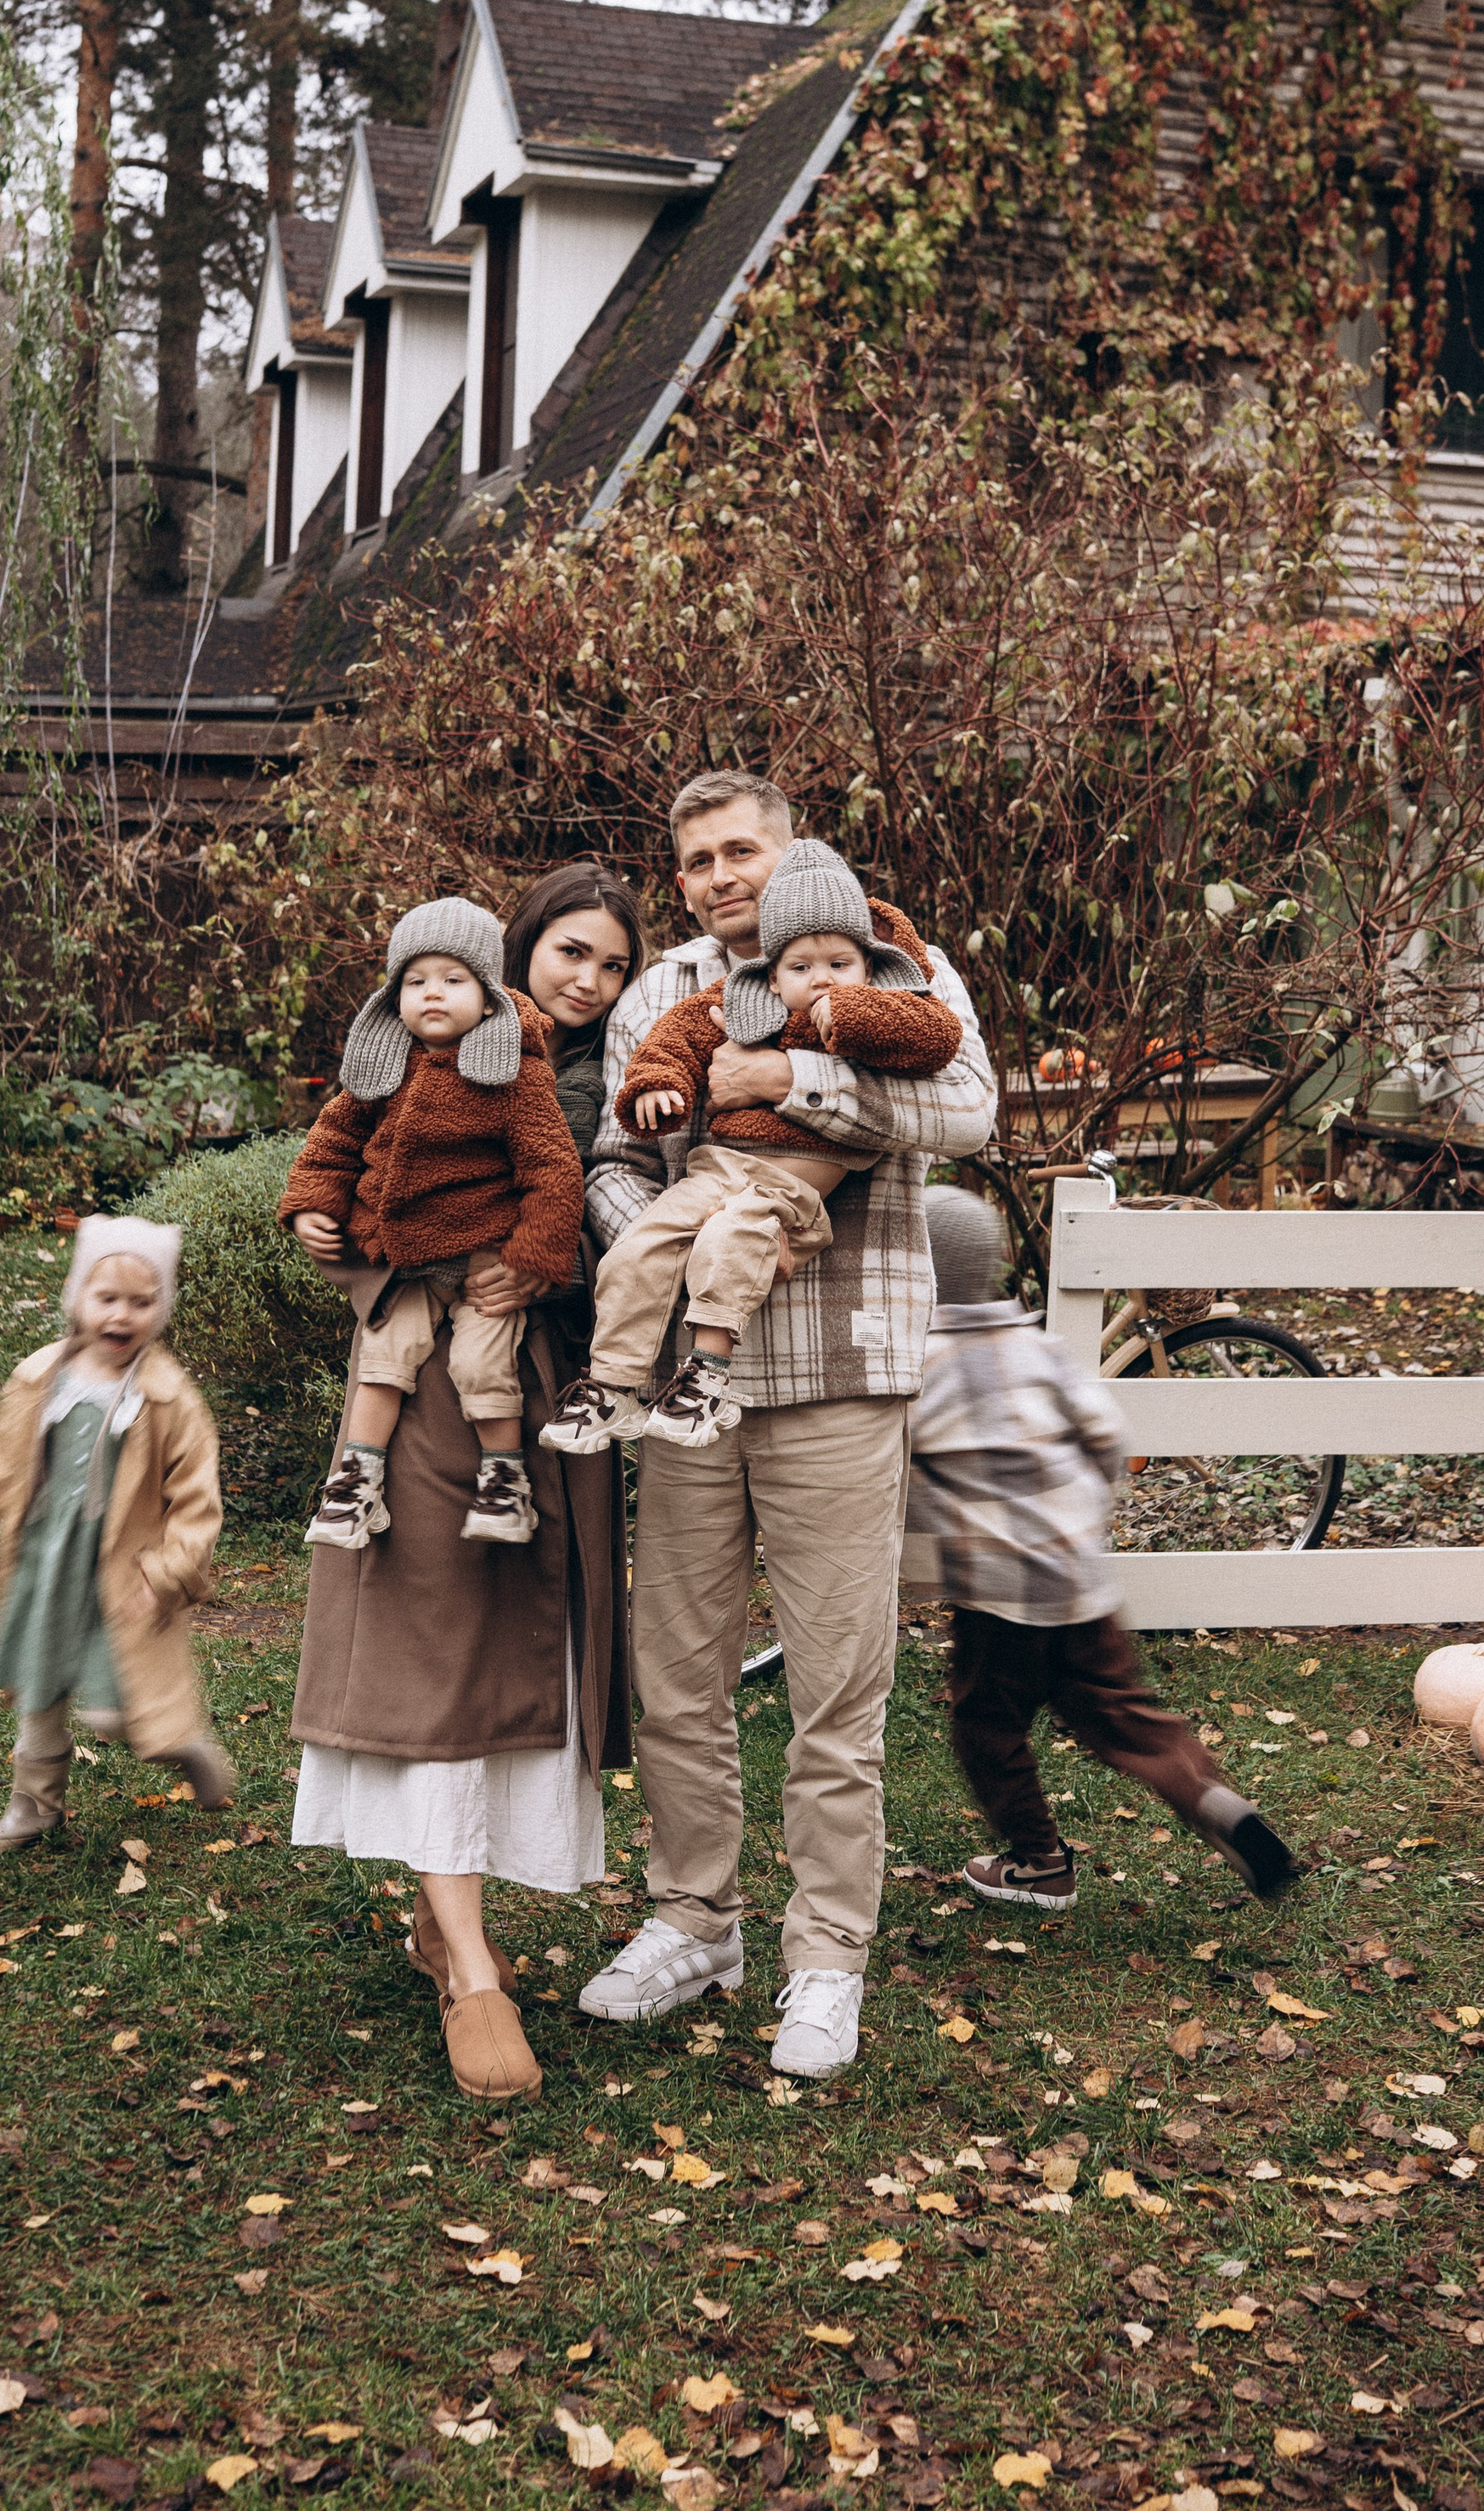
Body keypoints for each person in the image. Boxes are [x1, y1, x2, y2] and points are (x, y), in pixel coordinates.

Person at [576, 770, 996, 2080]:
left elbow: (966, 1111)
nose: (717, 874)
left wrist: (790, 1073)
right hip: (689, 1389)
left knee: (835, 1689)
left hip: (839, 1371)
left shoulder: (886, 957)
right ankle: (696, 1922)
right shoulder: (662, 993)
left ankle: (826, 1960)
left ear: (790, 847)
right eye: (695, 860)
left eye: (737, 848)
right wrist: (656, 1240)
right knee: (679, 1677)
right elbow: (611, 1154)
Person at [275, 868, 640, 2106]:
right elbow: (357, 1170)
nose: (585, 978)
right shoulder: (424, 1051)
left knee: (512, 1660)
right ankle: (470, 1968)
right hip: (423, 1387)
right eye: (567, 951)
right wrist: (330, 1233)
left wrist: (546, 1267)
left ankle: (453, 1922)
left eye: (611, 963)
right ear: (511, 953)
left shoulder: (617, 1077)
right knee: (433, 1649)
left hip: (544, 1395)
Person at [913, 1185, 1301, 1910]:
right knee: (1125, 1713)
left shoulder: (922, 1370)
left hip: (1001, 1595)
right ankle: (1211, 1797)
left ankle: (1039, 1865)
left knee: (986, 1724)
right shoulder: (1039, 1347)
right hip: (1080, 1578)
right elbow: (1106, 1437)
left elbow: (899, 1481)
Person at [545, 843, 961, 1455]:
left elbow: (933, 1038)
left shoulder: (888, 1009)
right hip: (715, 1167)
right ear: (770, 973)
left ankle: (706, 1379)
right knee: (642, 1244)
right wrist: (657, 1083)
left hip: (789, 1187)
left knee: (731, 1238)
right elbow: (676, 1038)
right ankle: (613, 1384)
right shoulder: (740, 1003)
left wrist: (848, 1014)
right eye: (800, 967)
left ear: (868, 968)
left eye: (839, 964)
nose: (820, 977)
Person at [0, 1216, 234, 1853]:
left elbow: (197, 1499)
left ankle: (181, 1742)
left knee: (113, 1714)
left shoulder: (168, 1399)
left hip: (123, 1572)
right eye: (107, 1297)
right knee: (40, 1689)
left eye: (142, 1302)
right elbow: (1, 1456)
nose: (122, 1315)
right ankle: (33, 1809)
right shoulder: (41, 1377)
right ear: (77, 1299)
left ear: (160, 1310)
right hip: (48, 1560)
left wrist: (170, 1570)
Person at [285, 898, 584, 1552]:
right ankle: (354, 1484)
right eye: (416, 982)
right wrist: (313, 1203)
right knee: (383, 1363)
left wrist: (533, 1254)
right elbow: (332, 1141)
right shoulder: (381, 1065)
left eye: (453, 980)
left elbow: (552, 1167)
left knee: (483, 1367)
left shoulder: (514, 1072)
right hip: (405, 1259)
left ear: (488, 993)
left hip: (482, 1258)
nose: (433, 995)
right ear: (395, 997)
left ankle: (505, 1485)